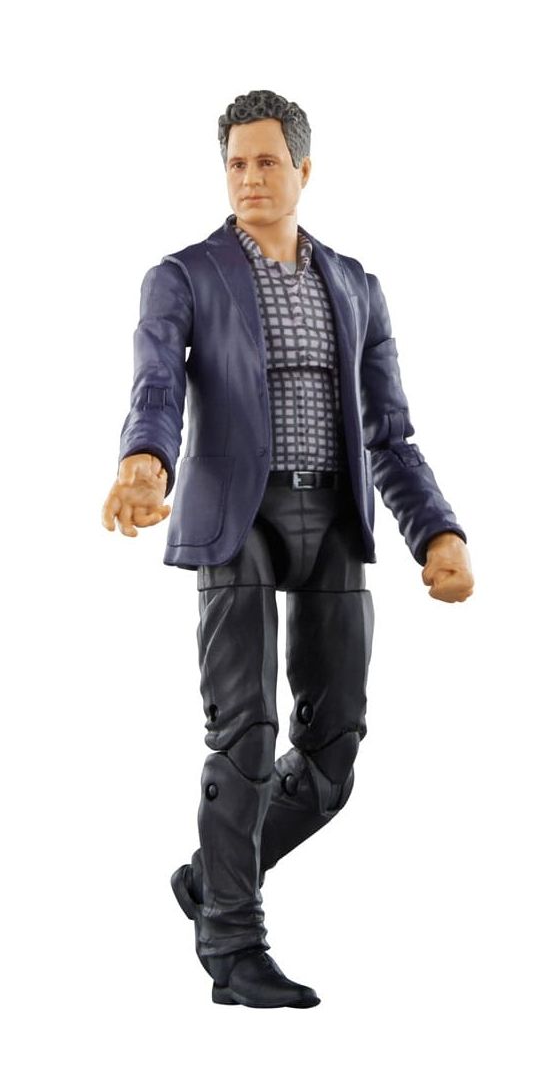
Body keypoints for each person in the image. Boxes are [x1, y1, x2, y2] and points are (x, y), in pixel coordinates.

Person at [102, 90, 473, 1008]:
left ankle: (210, 878)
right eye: (236, 163)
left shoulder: (356, 285)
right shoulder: (184, 276)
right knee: (246, 734)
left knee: (333, 754)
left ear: (304, 169)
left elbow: (391, 433)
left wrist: (438, 532)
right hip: (239, 517)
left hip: (334, 519)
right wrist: (144, 463)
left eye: (268, 162)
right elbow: (155, 384)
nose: (251, 179)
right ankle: (233, 947)